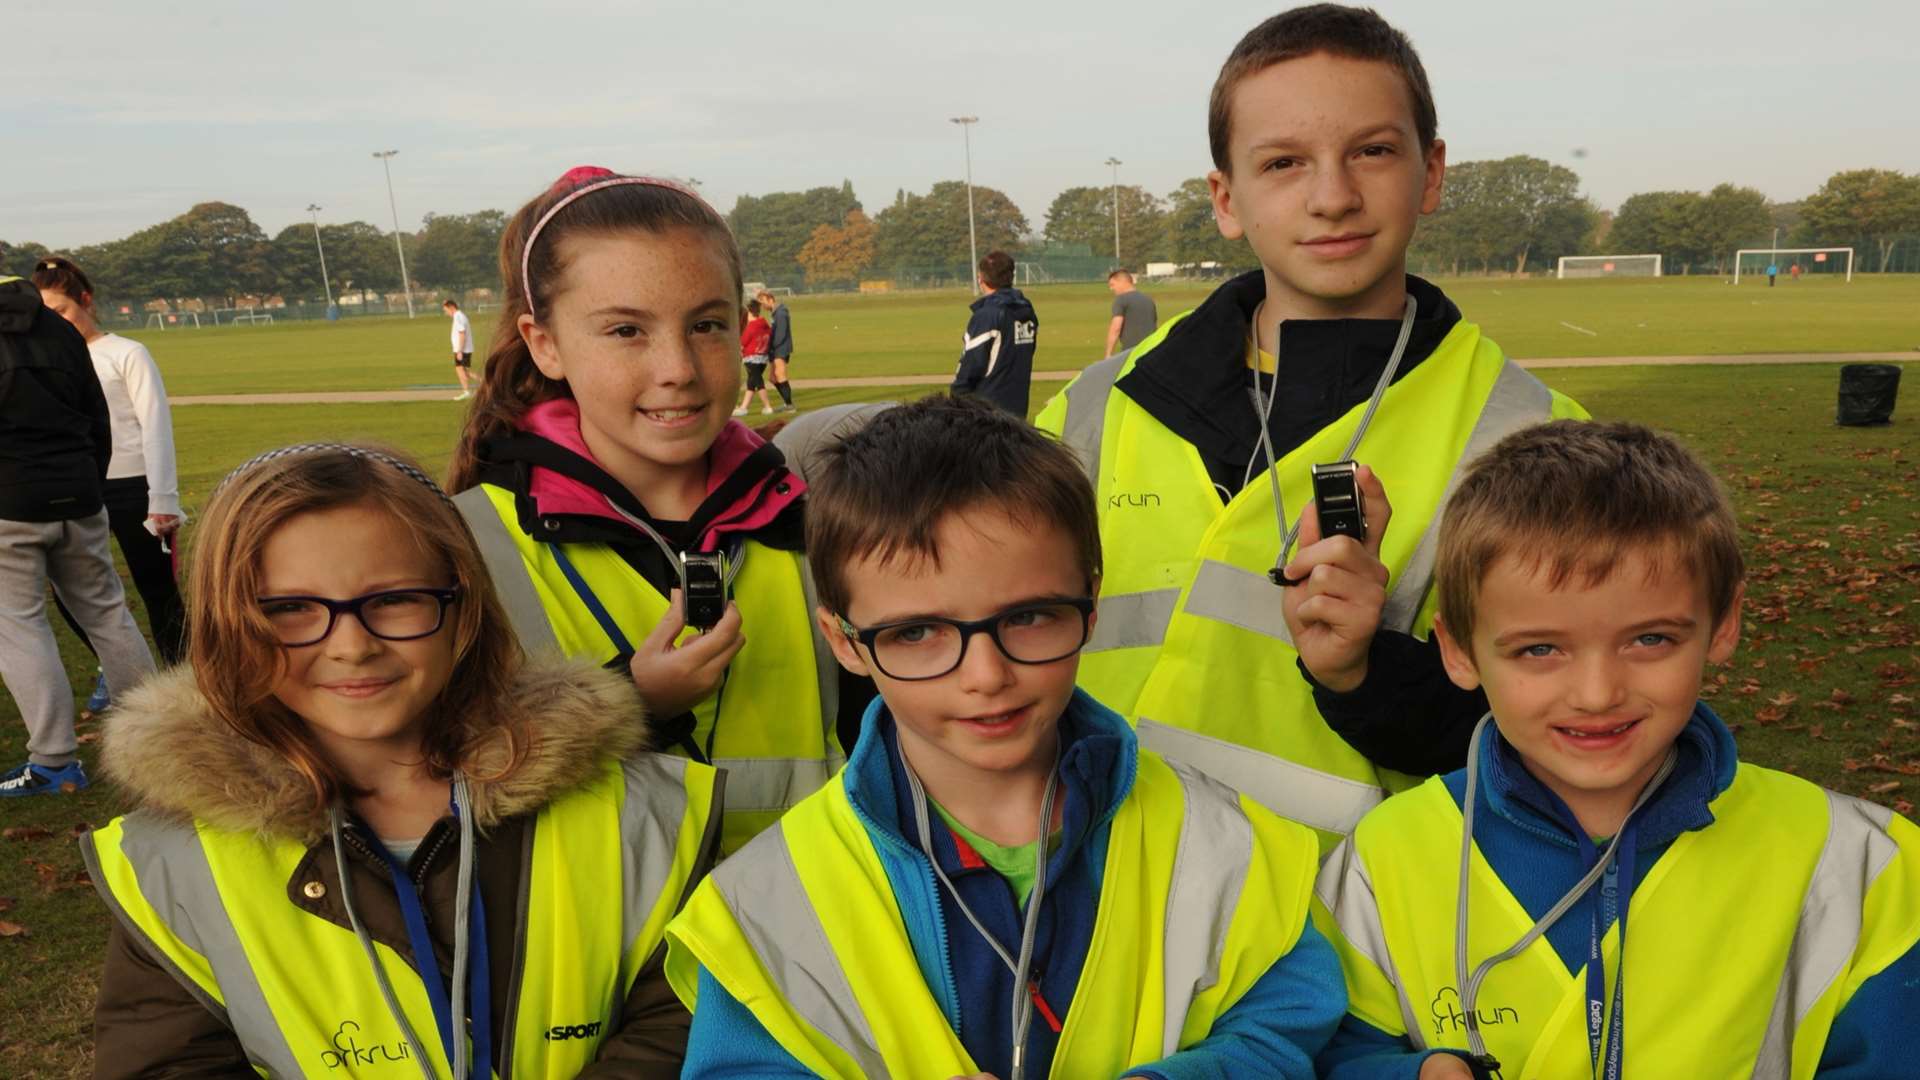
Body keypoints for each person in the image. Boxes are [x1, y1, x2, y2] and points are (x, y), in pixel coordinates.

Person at [1034, 3, 1585, 853]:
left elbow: (1579, 737)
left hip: (1367, 938)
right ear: (1226, 197)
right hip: (1105, 917)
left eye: (1372, 150)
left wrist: (1369, 674)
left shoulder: (1539, 439)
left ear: (1431, 173)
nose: (1332, 197)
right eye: (1284, 162)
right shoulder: (1091, 412)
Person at [667, 394, 1345, 1078]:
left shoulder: (1223, 844)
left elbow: (1290, 1025)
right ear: (843, 641)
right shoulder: (772, 897)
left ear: (1091, 600)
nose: (986, 676)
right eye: (917, 633)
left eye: (1029, 618)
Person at [82, 442, 722, 1077]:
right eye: (290, 609)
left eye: (393, 600)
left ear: (462, 605)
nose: (352, 646)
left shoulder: (646, 815)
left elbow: (680, 1025)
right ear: (230, 625)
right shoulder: (170, 865)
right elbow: (166, 1062)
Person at [1314, 421, 1920, 1079]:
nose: (1598, 694)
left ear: (1723, 623)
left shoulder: (1860, 863)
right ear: (1458, 650)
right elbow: (1333, 1048)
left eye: (1650, 640)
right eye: (1540, 649)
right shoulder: (1382, 861)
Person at [447, 166, 855, 855]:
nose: (678, 368)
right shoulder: (464, 544)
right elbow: (422, 786)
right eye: (627, 331)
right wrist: (628, 704)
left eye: (705, 324)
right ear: (544, 343)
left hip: (801, 945)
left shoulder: (815, 521)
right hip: (597, 960)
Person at [0, 274, 155, 797]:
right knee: (108, 610)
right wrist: (90, 478)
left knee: (19, 624)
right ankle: (155, 737)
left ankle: (53, 762)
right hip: (80, 490)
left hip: (11, 499)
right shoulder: (58, 325)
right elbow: (97, 415)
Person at [32, 257, 187, 684]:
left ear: (86, 300)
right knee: (71, 595)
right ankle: (120, 669)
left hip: (134, 487)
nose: (55, 322)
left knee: (158, 592)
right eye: (44, 315)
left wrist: (162, 500)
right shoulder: (45, 360)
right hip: (79, 489)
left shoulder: (127, 353)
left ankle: (183, 678)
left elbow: (155, 425)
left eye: (61, 311)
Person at [952, 250, 1040, 416]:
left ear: (981, 279)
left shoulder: (987, 315)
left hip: (987, 412)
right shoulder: (1026, 310)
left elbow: (971, 366)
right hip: (1018, 407)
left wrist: (956, 398)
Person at [756, 288, 796, 413]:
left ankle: (790, 405)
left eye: (763, 302)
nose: (762, 306)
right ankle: (787, 403)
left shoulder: (781, 313)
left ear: (770, 299)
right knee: (773, 378)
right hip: (775, 349)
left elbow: (781, 334)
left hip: (781, 349)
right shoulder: (775, 313)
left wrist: (772, 347)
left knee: (780, 375)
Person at [733, 298, 775, 417]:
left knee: (758, 382)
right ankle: (744, 408)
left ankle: (767, 406)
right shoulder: (764, 325)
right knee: (751, 383)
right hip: (762, 358)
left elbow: (742, 342)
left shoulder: (751, 327)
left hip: (751, 358)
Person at [1104, 268, 1159, 356]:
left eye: (1112, 284)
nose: (1111, 288)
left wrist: (1108, 353)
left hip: (1132, 352)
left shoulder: (1121, 300)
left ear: (1122, 282)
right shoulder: (1148, 300)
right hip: (1151, 350)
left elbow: (1116, 328)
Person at [445, 298, 476, 400]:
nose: (446, 313)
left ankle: (466, 391)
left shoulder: (458, 317)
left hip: (463, 350)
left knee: (460, 370)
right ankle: (486, 382)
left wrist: (459, 350)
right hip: (464, 349)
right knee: (464, 371)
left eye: (446, 310)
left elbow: (462, 333)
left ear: (451, 307)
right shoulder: (460, 316)